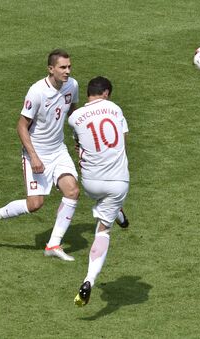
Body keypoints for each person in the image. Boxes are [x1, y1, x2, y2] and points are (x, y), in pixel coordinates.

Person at [0, 49, 80, 261]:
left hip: (59, 150)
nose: (67, 71)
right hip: (37, 153)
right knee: (35, 204)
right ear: (51, 69)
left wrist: (81, 137)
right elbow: (21, 126)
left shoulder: (73, 86)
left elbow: (73, 111)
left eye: (69, 66)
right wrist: (34, 156)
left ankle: (53, 244)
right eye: (63, 67)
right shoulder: (37, 92)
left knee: (72, 191)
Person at [70, 76, 130, 306]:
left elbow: (78, 145)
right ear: (105, 93)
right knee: (103, 231)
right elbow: (122, 140)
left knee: (106, 201)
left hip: (90, 183)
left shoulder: (75, 118)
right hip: (117, 181)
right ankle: (89, 279)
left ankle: (119, 212)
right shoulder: (115, 109)